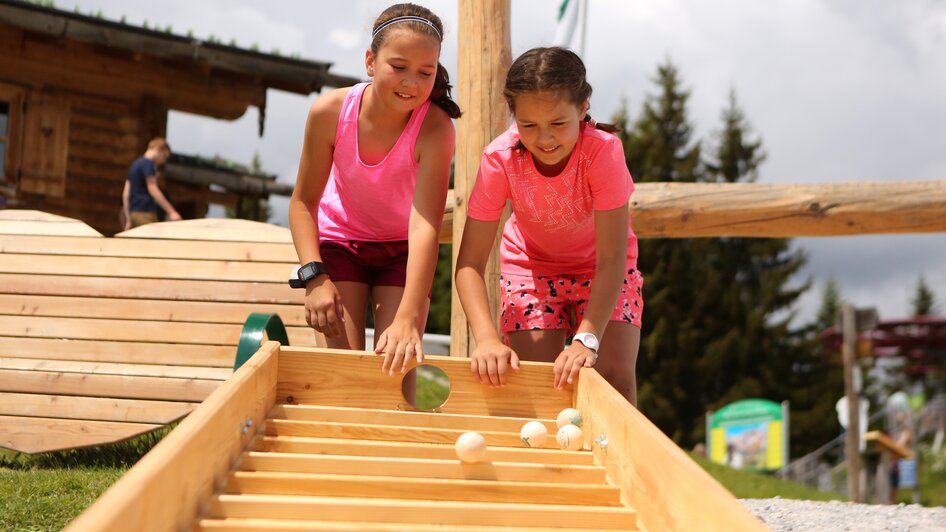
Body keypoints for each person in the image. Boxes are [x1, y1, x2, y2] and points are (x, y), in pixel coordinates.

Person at [455, 47, 643, 404]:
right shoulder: (500, 159)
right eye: (528, 125)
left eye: (558, 123)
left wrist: (586, 338)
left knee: (615, 382)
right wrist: (487, 339)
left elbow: (613, 257)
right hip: (531, 270)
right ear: (513, 115)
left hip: (601, 269)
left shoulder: (603, 153)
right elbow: (468, 265)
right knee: (538, 389)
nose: (544, 138)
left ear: (583, 107)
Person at [288, 4, 459, 375]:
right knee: (343, 372)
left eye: (425, 72)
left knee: (396, 371)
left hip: (401, 251)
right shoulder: (329, 112)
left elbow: (425, 223)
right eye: (398, 67)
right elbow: (303, 202)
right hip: (339, 244)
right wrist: (314, 278)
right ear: (370, 60)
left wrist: (409, 316)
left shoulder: (436, 129)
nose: (411, 83)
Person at [122, 137, 181, 229]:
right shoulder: (148, 164)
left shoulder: (135, 165)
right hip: (145, 213)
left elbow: (126, 194)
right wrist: (171, 211)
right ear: (159, 149)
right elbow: (152, 189)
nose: (163, 161)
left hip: (134, 214)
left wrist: (128, 219)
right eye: (164, 156)